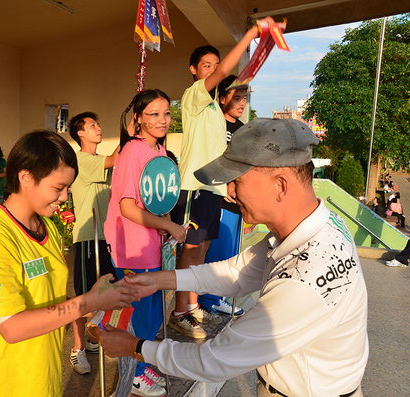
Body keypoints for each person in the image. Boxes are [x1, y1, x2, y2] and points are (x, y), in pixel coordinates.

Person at [100, 118, 368, 397]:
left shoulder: (305, 277)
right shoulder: (321, 226)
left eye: (237, 181)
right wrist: (158, 280)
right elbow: (237, 272)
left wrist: (136, 347)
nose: (229, 191)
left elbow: (216, 359)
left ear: (280, 185)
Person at [0, 130, 138, 397]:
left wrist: (93, 305)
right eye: (58, 188)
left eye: (68, 187)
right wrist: (87, 302)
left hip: (43, 374)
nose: (65, 197)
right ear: (26, 178)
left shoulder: (47, 228)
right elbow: (10, 326)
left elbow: (43, 295)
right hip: (6, 382)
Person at [169, 17, 273, 338]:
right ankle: (179, 310)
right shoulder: (195, 97)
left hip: (212, 187)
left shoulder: (215, 109)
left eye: (215, 64)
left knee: (201, 251)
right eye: (206, 65)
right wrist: (253, 34)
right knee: (189, 249)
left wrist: (227, 182)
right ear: (194, 71)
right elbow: (225, 73)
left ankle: (193, 304)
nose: (212, 69)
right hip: (194, 186)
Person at [104, 89, 186, 397]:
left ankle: (144, 362)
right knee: (139, 312)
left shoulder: (161, 153)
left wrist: (163, 227)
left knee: (153, 310)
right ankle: (136, 375)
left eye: (167, 113)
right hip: (132, 246)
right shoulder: (132, 152)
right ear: (137, 118)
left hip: (152, 243)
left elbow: (155, 201)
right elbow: (127, 206)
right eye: (154, 114)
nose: (163, 120)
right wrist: (168, 225)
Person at [67, 112, 120, 374]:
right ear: (80, 133)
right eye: (92, 126)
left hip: (105, 237)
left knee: (103, 293)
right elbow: (116, 158)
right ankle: (77, 350)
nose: (98, 128)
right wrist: (129, 130)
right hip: (88, 238)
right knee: (85, 297)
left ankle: (90, 340)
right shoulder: (81, 159)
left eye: (98, 124)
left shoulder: (101, 161)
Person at [197, 75, 249, 313]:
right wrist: (224, 183)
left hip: (236, 202)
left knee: (229, 254)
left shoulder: (243, 130)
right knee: (214, 254)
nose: (241, 104)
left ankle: (217, 299)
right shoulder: (215, 123)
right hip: (216, 198)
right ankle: (207, 301)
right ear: (222, 97)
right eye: (236, 98)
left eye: (244, 99)